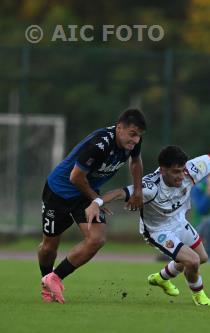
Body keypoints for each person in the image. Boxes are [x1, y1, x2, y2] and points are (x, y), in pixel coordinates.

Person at [87, 126, 210, 306]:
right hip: (157, 231)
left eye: (182, 170)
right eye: (175, 172)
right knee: (192, 261)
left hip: (178, 222)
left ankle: (162, 278)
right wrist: (97, 203)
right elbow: (119, 193)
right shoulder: (150, 187)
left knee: (202, 257)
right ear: (162, 170)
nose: (181, 176)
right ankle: (199, 296)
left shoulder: (191, 169)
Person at [38, 109, 147, 304]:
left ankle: (54, 278)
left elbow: (136, 161)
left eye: (139, 135)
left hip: (85, 193)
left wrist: (138, 191)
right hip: (59, 192)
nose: (136, 140)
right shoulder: (99, 145)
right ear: (119, 128)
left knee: (97, 239)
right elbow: (75, 177)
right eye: (132, 134)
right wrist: (96, 199)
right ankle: (46, 280)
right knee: (49, 247)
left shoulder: (131, 143)